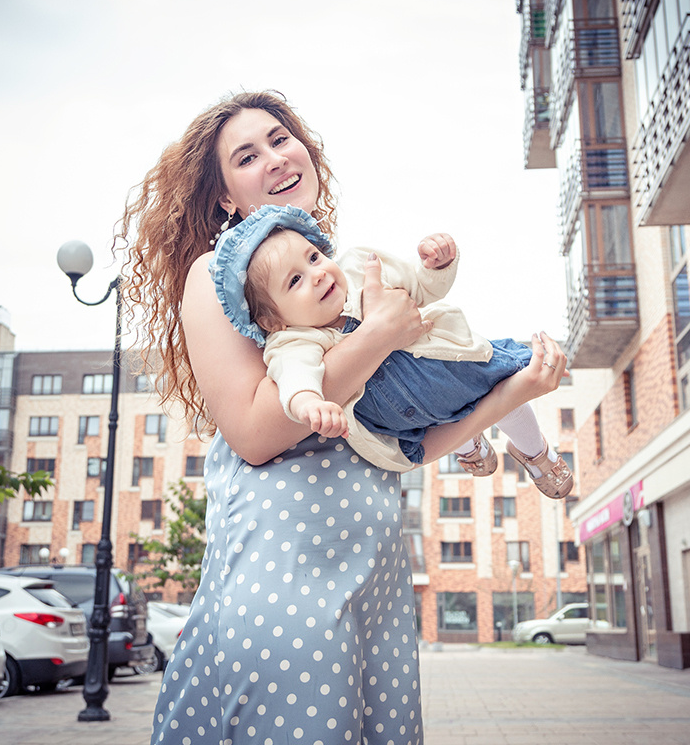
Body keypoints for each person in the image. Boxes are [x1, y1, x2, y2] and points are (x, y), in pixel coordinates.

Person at [118, 90, 568, 745]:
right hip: (285, 586)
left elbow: (406, 439)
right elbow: (254, 431)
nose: (274, 158)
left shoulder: (335, 279)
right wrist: (378, 334)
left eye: (280, 138)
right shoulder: (218, 277)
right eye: (247, 156)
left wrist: (514, 392)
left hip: (375, 587)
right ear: (223, 197)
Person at [210, 203, 574, 499]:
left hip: (447, 366)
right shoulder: (294, 340)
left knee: (503, 385)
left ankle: (535, 452)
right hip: (406, 417)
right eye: (295, 280)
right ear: (274, 321)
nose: (317, 274)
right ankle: (469, 447)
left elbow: (422, 287)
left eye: (314, 258)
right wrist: (310, 404)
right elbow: (295, 378)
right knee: (449, 422)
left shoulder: (358, 269)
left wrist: (436, 265)